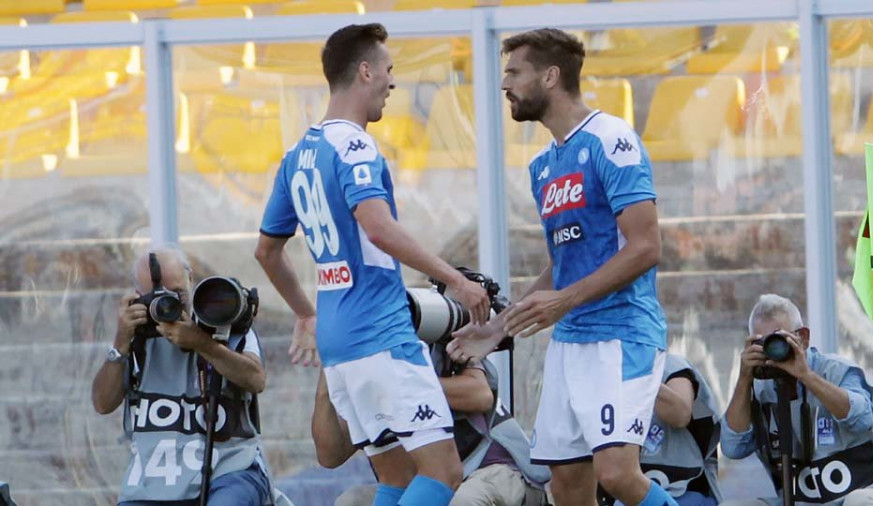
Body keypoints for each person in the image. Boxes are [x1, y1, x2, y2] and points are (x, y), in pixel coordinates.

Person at [254, 22, 490, 506]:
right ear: (365, 72)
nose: (393, 82)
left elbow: (267, 251)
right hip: (381, 333)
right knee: (444, 472)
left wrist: (305, 313)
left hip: (339, 345)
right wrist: (456, 282)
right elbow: (378, 227)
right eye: (388, 69)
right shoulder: (354, 144)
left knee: (398, 477)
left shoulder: (298, 155)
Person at [449, 27, 675, 506]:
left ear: (550, 77)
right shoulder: (542, 166)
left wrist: (566, 300)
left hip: (621, 335)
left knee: (617, 474)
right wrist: (498, 330)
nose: (504, 84)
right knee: (568, 486)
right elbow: (563, 264)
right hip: (570, 344)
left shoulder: (612, 139)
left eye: (514, 72)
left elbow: (645, 246)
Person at [91, 247, 271, 505]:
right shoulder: (135, 338)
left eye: (177, 294)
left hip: (230, 470)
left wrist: (202, 343)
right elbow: (102, 403)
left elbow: (256, 380)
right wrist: (120, 342)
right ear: (139, 295)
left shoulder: (223, 317)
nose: (170, 305)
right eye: (158, 296)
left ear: (191, 277)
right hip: (152, 483)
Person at [313, 342, 551, 506]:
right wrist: (327, 383)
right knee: (352, 501)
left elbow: (480, 394)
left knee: (464, 501)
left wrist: (403, 386)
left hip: (493, 470)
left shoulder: (434, 337)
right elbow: (330, 457)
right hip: (426, 484)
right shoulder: (358, 359)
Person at [720, 294, 873, 506]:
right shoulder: (757, 388)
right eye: (763, 342)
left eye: (779, 339)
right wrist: (744, 378)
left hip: (867, 492)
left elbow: (863, 419)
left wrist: (806, 376)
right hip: (799, 501)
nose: (774, 349)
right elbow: (733, 448)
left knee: (859, 502)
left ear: (803, 337)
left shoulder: (836, 371)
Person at [599, 354, 722, 506]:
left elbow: (679, 415)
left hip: (683, 490)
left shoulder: (673, 368)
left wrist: (637, 377)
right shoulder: (593, 371)